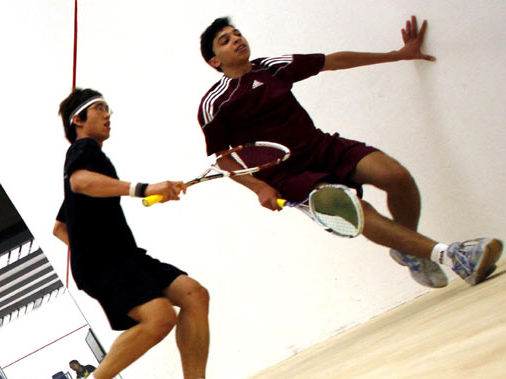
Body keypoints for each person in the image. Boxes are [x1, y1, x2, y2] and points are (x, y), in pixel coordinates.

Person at [198, 15, 501, 288]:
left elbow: (334, 61)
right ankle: (453, 255)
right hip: (287, 174)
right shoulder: (215, 103)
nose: (236, 39)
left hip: (321, 146)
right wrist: (259, 188)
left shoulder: (272, 66)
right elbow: (222, 158)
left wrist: (399, 54)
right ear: (214, 61)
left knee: (396, 176)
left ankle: (410, 251)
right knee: (355, 210)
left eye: (237, 34)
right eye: (225, 40)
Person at [55, 88, 259, 379]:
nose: (108, 114)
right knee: (160, 318)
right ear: (78, 119)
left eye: (108, 108)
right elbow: (80, 181)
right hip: (106, 261)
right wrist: (144, 189)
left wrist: (93, 238)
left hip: (124, 256)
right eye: (99, 108)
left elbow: (61, 227)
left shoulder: (93, 160)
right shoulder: (83, 150)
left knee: (194, 294)